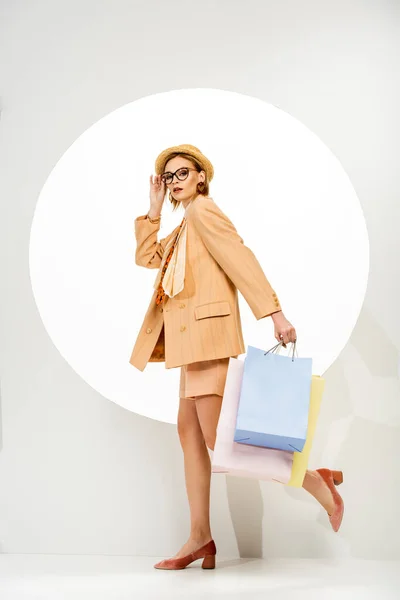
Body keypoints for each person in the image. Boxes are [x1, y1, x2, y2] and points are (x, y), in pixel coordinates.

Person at [130, 144, 344, 570]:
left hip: (207, 340)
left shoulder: (204, 212)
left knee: (219, 441)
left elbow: (240, 258)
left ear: (201, 177)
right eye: (167, 177)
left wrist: (274, 313)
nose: (174, 181)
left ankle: (316, 480)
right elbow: (146, 257)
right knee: (189, 434)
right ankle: (199, 537)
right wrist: (153, 210)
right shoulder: (183, 225)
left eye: (181, 173)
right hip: (189, 344)